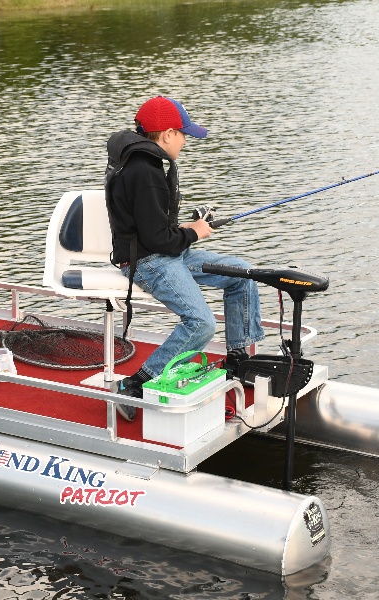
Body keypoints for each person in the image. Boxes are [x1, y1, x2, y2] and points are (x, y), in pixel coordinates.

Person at [104, 95, 264, 421]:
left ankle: (237, 360)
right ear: (166, 135)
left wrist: (184, 228)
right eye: (184, 135)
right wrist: (196, 233)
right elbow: (156, 240)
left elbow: (152, 226)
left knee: (242, 274)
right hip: (149, 261)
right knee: (201, 323)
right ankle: (135, 385)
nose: (186, 142)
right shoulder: (145, 173)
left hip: (165, 251)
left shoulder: (143, 164)